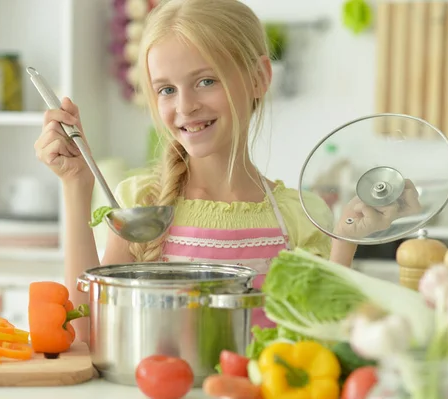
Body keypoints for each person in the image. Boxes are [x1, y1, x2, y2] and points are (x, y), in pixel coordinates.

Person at [34, 0, 420, 344]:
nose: (185, 106)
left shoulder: (299, 216)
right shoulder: (141, 206)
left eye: (205, 81)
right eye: (166, 89)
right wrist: (76, 185)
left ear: (259, 79)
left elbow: (324, 338)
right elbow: (84, 333)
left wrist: (346, 240)